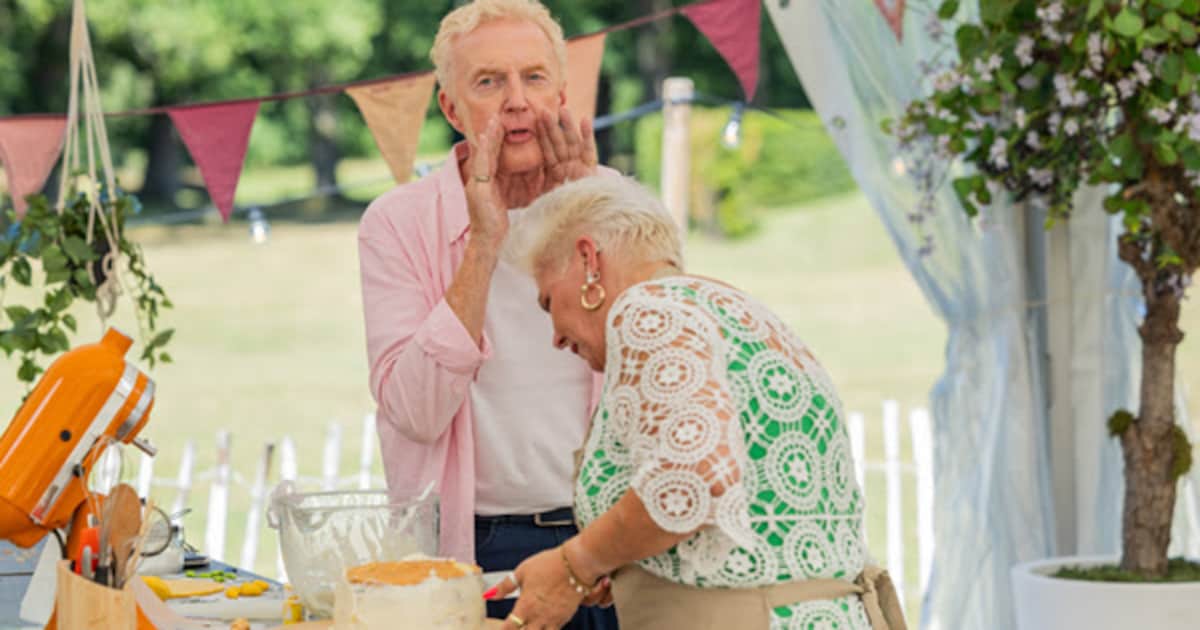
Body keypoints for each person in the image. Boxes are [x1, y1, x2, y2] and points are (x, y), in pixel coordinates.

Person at [491, 176, 907, 629]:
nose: (555, 336)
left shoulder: (647, 309)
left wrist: (575, 564)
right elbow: (746, 507)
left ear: (589, 261)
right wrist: (638, 563)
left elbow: (690, 477)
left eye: (549, 301)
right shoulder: (738, 313)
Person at [356, 1, 618, 627]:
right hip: (475, 550)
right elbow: (417, 412)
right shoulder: (396, 224)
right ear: (451, 108)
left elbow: (660, 370)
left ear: (562, 91)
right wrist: (485, 242)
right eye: (488, 82)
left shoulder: (617, 201)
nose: (516, 101)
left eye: (533, 77)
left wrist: (588, 218)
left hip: (611, 546)